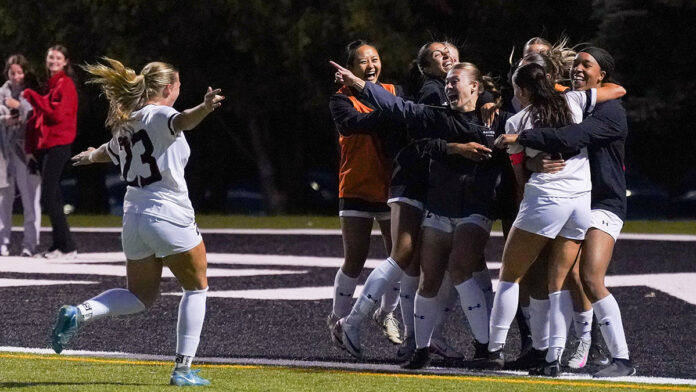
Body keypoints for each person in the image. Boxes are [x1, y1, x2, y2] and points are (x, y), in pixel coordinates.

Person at [49, 57, 224, 386]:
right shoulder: (160, 114)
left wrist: (90, 156)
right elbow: (182, 121)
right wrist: (204, 108)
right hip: (168, 212)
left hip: (133, 217)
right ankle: (183, 370)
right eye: (178, 86)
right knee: (197, 288)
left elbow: (110, 150)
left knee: (140, 297)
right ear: (168, 88)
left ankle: (80, 313)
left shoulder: (126, 121)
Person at [330, 60, 499, 369]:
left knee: (462, 271)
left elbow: (516, 137)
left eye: (455, 77)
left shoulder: (495, 117)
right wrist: (357, 84)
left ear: (475, 85)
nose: (449, 80)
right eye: (445, 75)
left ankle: (487, 347)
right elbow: (403, 117)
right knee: (426, 275)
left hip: (472, 209)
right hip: (434, 205)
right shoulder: (435, 110)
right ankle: (420, 346)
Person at [481, 62, 625, 376]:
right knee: (557, 283)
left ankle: (493, 350)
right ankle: (553, 358)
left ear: (521, 91)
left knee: (510, 276)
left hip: (546, 199)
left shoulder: (518, 120)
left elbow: (520, 172)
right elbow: (616, 90)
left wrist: (525, 162)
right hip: (580, 202)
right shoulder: (575, 100)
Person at [327, 40, 403, 350]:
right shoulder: (340, 100)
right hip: (356, 185)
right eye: (363, 61)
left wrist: (390, 106)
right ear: (350, 69)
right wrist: (390, 111)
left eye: (375, 58)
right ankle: (339, 321)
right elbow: (354, 123)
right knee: (354, 259)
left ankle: (386, 313)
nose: (371, 65)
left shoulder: (393, 91)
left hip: (391, 186)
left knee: (398, 256)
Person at [23, 45, 78, 258]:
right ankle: (59, 245)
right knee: (52, 194)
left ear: (65, 62)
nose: (53, 60)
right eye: (50, 57)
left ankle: (67, 246)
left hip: (59, 145)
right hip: (50, 145)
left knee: (48, 194)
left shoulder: (66, 84)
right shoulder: (54, 84)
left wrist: (31, 95)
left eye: (58, 58)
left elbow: (56, 114)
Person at [0, 55, 41, 256]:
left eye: (19, 72)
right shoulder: (2, 92)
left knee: (29, 198)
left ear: (24, 73)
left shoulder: (30, 92)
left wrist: (17, 107)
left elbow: (34, 114)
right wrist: (4, 118)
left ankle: (29, 243)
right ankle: (3, 242)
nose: (16, 77)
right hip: (5, 151)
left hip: (27, 150)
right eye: (12, 73)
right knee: (4, 199)